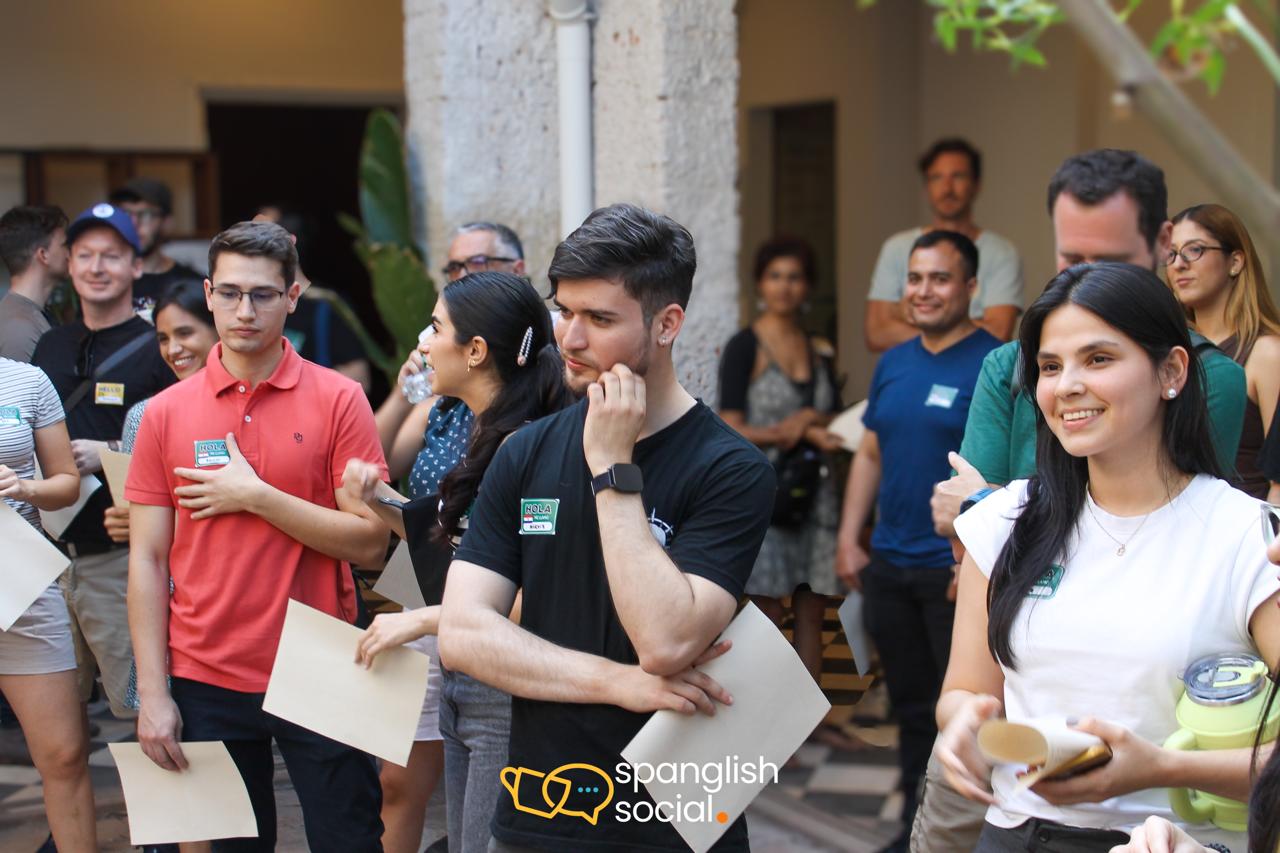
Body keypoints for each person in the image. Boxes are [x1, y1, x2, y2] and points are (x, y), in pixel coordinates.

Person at [919, 150, 1249, 853]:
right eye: (1049, 365)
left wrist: (1163, 768)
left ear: (1172, 371)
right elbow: (966, 690)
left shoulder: (1244, 534)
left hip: (1164, 839)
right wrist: (962, 723)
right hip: (1013, 832)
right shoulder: (1004, 522)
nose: (1067, 384)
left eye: (1098, 359)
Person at [438, 203, 775, 852]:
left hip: (675, 823)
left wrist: (613, 469)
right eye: (563, 311)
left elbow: (667, 643)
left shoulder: (731, 468)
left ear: (667, 323)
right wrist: (616, 682)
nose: (569, 339)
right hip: (536, 816)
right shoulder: (525, 450)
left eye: (599, 319)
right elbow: (463, 634)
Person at [125, 221, 390, 851]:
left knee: (350, 840)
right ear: (209, 294)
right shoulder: (165, 412)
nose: (245, 311)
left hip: (323, 656)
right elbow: (147, 558)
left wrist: (258, 497)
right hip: (203, 667)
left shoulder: (341, 399)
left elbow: (370, 543)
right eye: (231, 293)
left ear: (293, 297)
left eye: (264, 295)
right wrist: (153, 693)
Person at [344, 270, 574, 853]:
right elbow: (453, 539)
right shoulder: (474, 426)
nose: (423, 342)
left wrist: (422, 620)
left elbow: (536, 600)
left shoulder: (530, 447)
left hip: (506, 693)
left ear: (474, 351)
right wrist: (378, 499)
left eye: (436, 327)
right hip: (463, 676)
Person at [838, 230, 1001, 852]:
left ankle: (968, 837)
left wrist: (972, 563)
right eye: (914, 278)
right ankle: (915, 830)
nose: (923, 291)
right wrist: (850, 537)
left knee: (961, 713)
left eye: (939, 278)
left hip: (953, 574)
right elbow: (870, 451)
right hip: (890, 563)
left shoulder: (994, 364)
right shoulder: (893, 363)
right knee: (908, 710)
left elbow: (1005, 474)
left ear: (971, 288)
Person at [30, 202, 175, 719]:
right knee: (54, 718)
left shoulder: (159, 346)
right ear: (68, 264)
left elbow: (186, 437)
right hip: (46, 556)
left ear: (136, 266)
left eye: (111, 256)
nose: (96, 267)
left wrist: (110, 451)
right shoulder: (51, 343)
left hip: (122, 556)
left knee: (143, 710)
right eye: (85, 255)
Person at [717, 236, 842, 694]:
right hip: (765, 489)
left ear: (807, 286)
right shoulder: (744, 346)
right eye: (775, 277)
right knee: (766, 606)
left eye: (794, 277)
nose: (784, 287)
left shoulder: (817, 347)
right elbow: (728, 425)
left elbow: (832, 413)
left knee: (812, 605)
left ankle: (809, 716)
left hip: (815, 491)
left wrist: (809, 420)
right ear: (759, 284)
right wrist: (791, 430)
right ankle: (761, 714)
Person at [0, 357, 94, 851]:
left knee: (64, 754)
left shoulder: (27, 380)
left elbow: (66, 483)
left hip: (21, 579)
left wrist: (23, 486)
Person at [374, 221, 527, 497]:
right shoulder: (446, 404)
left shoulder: (549, 348)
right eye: (455, 267)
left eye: (478, 263)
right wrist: (403, 393)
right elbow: (380, 464)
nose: (463, 276)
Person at [1165, 204, 1280, 501]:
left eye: (1195, 250)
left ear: (1235, 262)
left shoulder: (1267, 352)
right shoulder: (1166, 350)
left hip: (1243, 522)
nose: (1179, 264)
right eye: (1171, 254)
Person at [865, 137, 1024, 352]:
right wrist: (968, 325)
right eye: (937, 177)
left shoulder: (1001, 253)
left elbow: (997, 334)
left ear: (976, 185)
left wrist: (914, 318)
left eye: (958, 176)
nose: (947, 188)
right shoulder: (896, 248)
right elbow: (878, 333)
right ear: (926, 187)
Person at [256, 203, 372, 393]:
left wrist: (295, 391)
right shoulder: (249, 304)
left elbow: (359, 377)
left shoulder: (328, 305)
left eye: (263, 233)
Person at [109, 178, 202, 320]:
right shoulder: (101, 279)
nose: (134, 223)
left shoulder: (191, 283)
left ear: (167, 223)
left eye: (145, 214)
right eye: (126, 214)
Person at [0, 205, 68, 362]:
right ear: (43, 255)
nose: (70, 253)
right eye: (64, 245)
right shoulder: (20, 329)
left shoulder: (27, 315)